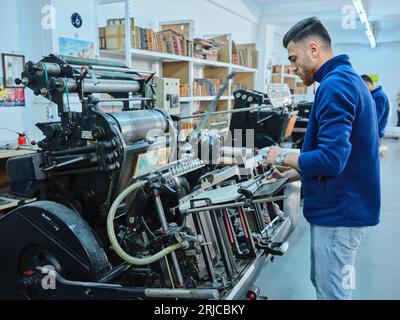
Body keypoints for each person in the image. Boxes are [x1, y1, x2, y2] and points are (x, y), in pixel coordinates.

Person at [266, 17, 380, 300]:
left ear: (313, 49)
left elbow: (332, 159)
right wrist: (294, 172)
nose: (293, 68)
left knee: (332, 293)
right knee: (327, 285)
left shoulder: (335, 85)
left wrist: (282, 154)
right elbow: (343, 154)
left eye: (294, 58)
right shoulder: (345, 78)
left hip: (340, 213)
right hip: (344, 207)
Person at [361, 74, 389, 144]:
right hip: (374, 134)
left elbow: (375, 118)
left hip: (375, 135)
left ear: (369, 84)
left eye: (365, 86)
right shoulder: (374, 95)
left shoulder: (378, 96)